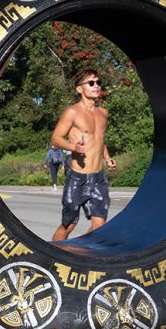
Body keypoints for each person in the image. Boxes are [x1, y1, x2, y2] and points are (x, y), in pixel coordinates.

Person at [50, 69, 116, 241]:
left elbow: (100, 140)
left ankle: (81, 254)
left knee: (100, 225)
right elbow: (56, 138)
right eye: (91, 83)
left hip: (98, 177)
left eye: (98, 82)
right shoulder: (72, 112)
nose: (96, 86)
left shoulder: (103, 113)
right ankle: (53, 255)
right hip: (77, 176)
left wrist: (107, 158)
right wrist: (73, 147)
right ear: (80, 89)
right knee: (69, 224)